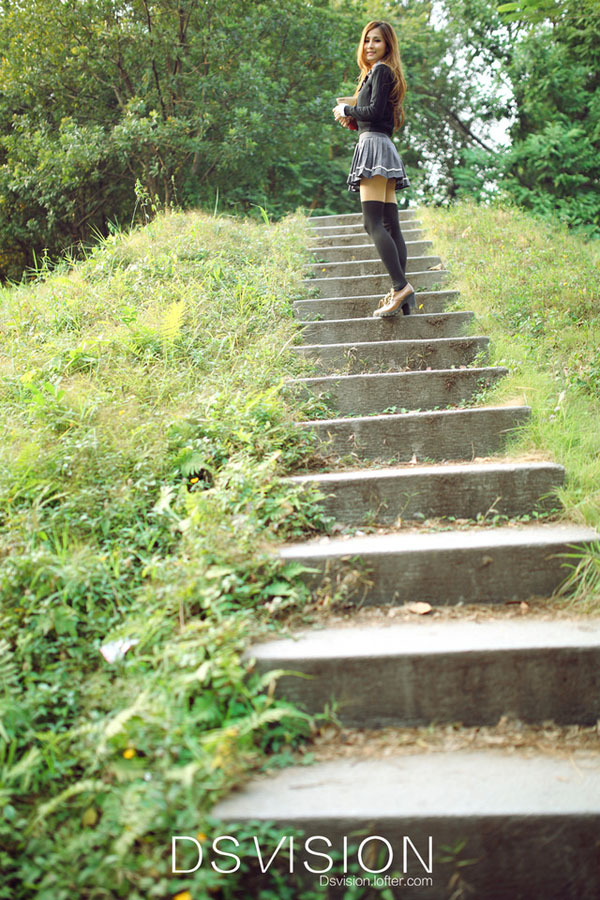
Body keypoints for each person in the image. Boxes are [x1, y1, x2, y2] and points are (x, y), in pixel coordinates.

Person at [333, 20, 414, 318]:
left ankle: (400, 287)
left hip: (374, 150)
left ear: (388, 45)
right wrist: (354, 119)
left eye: (377, 41)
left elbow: (375, 112)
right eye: (367, 40)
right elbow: (377, 116)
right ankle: (401, 294)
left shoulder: (381, 70)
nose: (370, 46)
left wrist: (346, 110)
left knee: (372, 223)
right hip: (381, 145)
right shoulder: (378, 74)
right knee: (391, 224)